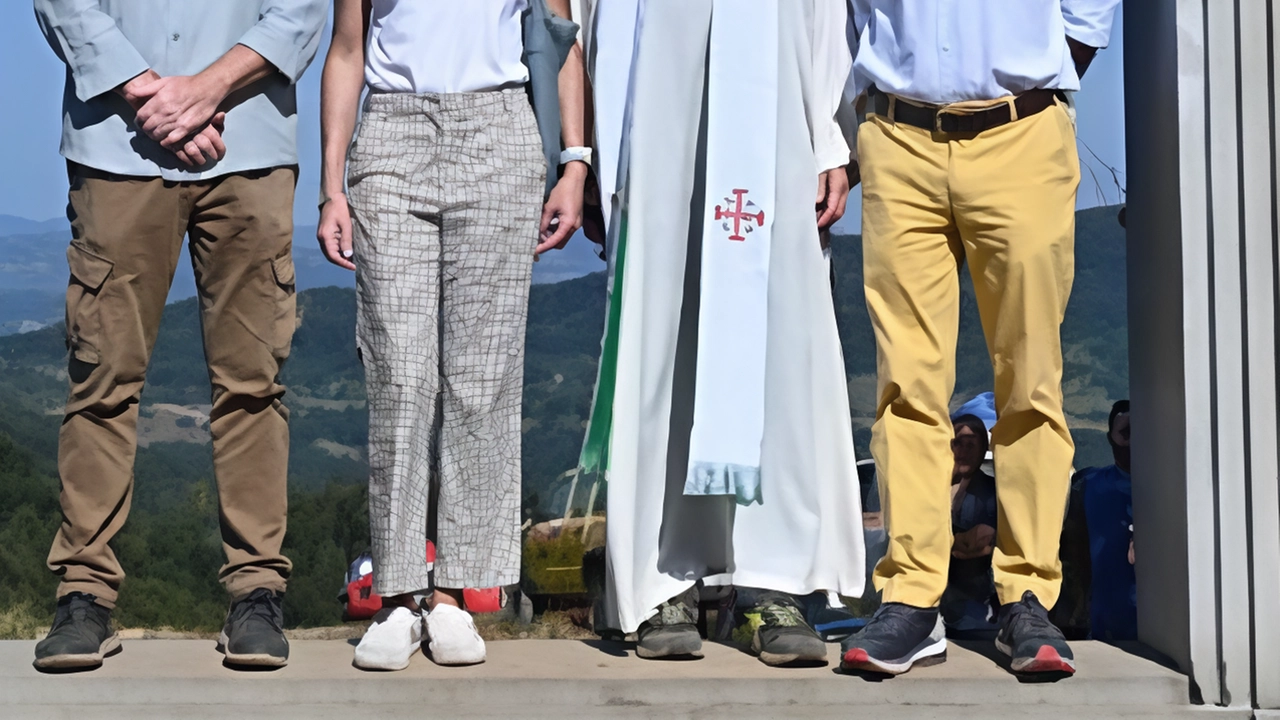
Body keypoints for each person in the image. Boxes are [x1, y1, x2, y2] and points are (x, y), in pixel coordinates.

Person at [31, 0, 327, 671]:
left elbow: (303, 9)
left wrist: (202, 90)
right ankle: (84, 593)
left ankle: (257, 592)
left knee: (252, 383)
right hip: (116, 144)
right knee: (102, 381)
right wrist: (148, 93)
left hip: (247, 143)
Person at [579, 0, 864, 667]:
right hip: (653, 112)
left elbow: (824, 11)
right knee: (662, 343)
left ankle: (770, 582)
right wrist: (591, 151)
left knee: (778, 348)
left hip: (777, 123)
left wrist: (829, 136)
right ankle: (663, 583)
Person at [839, 0, 1120, 677]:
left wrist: (1041, 83)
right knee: (906, 385)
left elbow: (1086, 15)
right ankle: (910, 594)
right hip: (896, 132)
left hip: (1020, 128)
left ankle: (1026, 593)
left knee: (1029, 378)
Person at [317, 0, 587, 669]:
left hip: (500, 124)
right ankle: (397, 594)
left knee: (481, 380)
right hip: (391, 131)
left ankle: (456, 596)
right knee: (400, 376)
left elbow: (562, 38)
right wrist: (331, 187)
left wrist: (576, 162)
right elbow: (346, 48)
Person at [1067, 400, 1137, 642]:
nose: (1133, 442)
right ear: (1111, 439)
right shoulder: (1087, 486)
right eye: (1126, 433)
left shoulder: (1173, 486)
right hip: (1102, 618)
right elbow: (1072, 553)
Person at [941, 415, 999, 640]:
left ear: (983, 449)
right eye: (958, 443)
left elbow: (977, 545)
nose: (963, 451)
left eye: (971, 444)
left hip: (973, 609)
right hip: (928, 604)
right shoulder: (929, 489)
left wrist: (927, 540)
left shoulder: (991, 492)